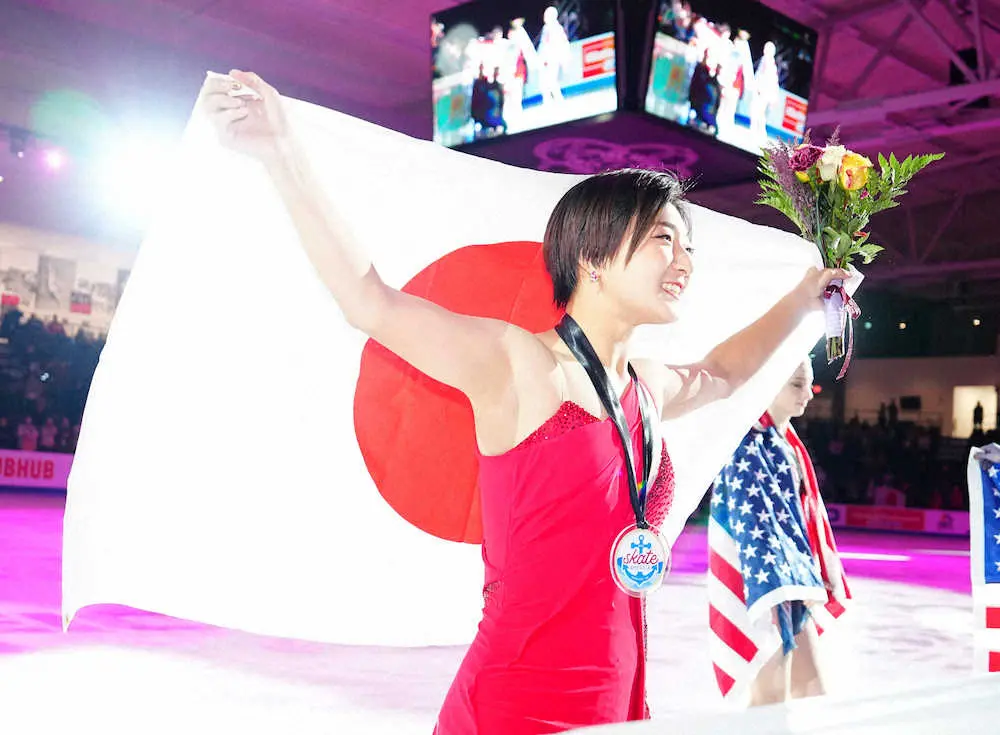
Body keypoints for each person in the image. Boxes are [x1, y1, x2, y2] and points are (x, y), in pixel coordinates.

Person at [200, 70, 848, 734]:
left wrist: (806, 298)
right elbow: (371, 302)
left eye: (687, 246)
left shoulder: (646, 389)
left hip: (618, 702)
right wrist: (282, 154)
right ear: (593, 256)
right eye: (663, 239)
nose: (684, 261)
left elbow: (725, 372)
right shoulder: (518, 365)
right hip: (513, 706)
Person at [708, 360, 849, 706]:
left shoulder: (787, 442)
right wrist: (780, 586)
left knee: (811, 694)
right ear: (770, 381)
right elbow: (752, 527)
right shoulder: (747, 442)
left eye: (809, 384)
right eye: (797, 385)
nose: (808, 395)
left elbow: (797, 518)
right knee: (771, 702)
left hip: (793, 580)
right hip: (766, 584)